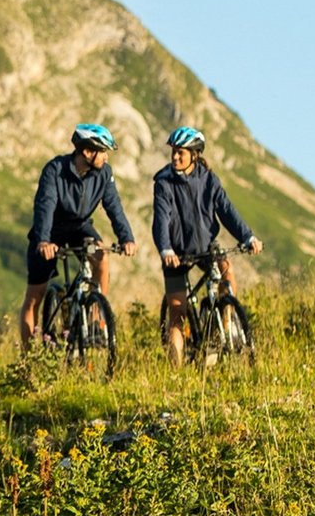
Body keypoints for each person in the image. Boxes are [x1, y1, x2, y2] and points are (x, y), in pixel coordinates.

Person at [19, 123, 138, 352]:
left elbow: (114, 207)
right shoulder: (55, 170)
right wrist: (44, 241)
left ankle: (96, 316)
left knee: (101, 255)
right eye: (102, 151)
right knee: (35, 296)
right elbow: (45, 206)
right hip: (50, 229)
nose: (105, 157)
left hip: (79, 228)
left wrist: (126, 238)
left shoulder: (104, 173)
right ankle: (28, 357)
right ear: (86, 152)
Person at [151, 126, 263, 366]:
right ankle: (177, 374)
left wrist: (248, 237)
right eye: (173, 152)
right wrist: (166, 250)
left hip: (206, 246)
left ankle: (224, 325)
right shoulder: (163, 182)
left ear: (195, 154)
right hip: (177, 253)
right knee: (178, 313)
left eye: (180, 153)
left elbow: (227, 211)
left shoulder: (209, 179)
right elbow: (160, 220)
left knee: (226, 270)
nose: (175, 157)